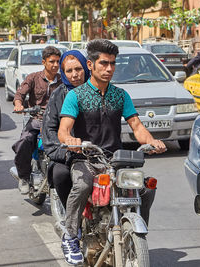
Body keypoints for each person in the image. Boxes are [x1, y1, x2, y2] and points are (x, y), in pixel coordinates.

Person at [57, 39, 166, 265]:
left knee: (146, 188)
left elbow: (137, 126)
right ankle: (70, 235)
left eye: (113, 64)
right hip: (85, 157)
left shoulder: (121, 95)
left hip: (115, 159)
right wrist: (71, 140)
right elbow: (64, 129)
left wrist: (152, 141)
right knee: (83, 184)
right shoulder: (75, 96)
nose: (109, 69)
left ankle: (135, 231)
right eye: (104, 63)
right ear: (90, 64)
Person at [42, 50, 90, 211]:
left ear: (87, 67)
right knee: (60, 175)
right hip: (67, 154)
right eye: (69, 71)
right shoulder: (58, 95)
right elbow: (49, 128)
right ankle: (73, 219)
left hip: (97, 152)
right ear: (63, 73)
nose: (75, 75)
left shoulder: (99, 91)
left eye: (78, 69)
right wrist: (66, 150)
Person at [12, 46, 62, 194]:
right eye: (51, 61)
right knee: (24, 142)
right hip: (37, 120)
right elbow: (19, 95)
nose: (55, 65)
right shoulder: (33, 78)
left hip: (58, 122)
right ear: (44, 62)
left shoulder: (62, 80)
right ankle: (24, 177)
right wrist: (19, 105)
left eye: (58, 62)